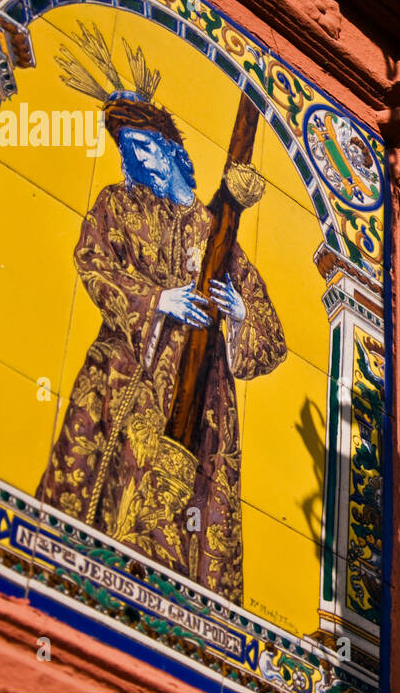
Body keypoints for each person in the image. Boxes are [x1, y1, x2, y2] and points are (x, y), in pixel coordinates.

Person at [35, 92, 285, 605]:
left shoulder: (216, 233)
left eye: (147, 146)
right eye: (130, 151)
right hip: (124, 377)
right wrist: (158, 301)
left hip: (201, 401)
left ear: (172, 148)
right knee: (101, 493)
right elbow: (92, 261)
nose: (140, 159)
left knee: (181, 519)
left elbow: (273, 340)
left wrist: (236, 313)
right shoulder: (117, 206)